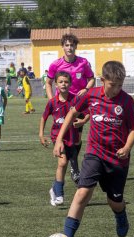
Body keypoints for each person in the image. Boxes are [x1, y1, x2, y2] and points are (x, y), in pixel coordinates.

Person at [53, 61, 134, 237]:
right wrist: (60, 139)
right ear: (102, 80)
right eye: (112, 85)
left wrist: (127, 147)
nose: (116, 89)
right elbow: (72, 113)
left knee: (114, 202)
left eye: (120, 85)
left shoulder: (126, 101)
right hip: (95, 153)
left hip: (117, 159)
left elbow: (133, 129)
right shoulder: (91, 95)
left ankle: (120, 213)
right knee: (82, 193)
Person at [46, 33, 95, 183]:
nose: (69, 47)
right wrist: (52, 101)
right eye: (66, 45)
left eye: (72, 45)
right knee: (68, 136)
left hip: (79, 105)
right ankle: (74, 166)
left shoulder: (83, 63)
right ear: (62, 47)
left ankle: (72, 163)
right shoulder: (55, 64)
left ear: (75, 47)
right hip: (63, 106)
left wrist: (86, 89)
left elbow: (92, 78)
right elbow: (48, 82)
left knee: (77, 138)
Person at [39, 71, 89, 206]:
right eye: (60, 82)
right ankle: (59, 194)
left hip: (72, 138)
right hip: (57, 137)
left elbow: (88, 112)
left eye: (66, 82)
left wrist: (83, 122)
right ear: (56, 84)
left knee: (64, 165)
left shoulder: (75, 99)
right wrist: (41, 134)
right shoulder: (52, 102)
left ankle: (54, 189)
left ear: (71, 84)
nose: (63, 84)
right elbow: (44, 117)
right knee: (62, 163)